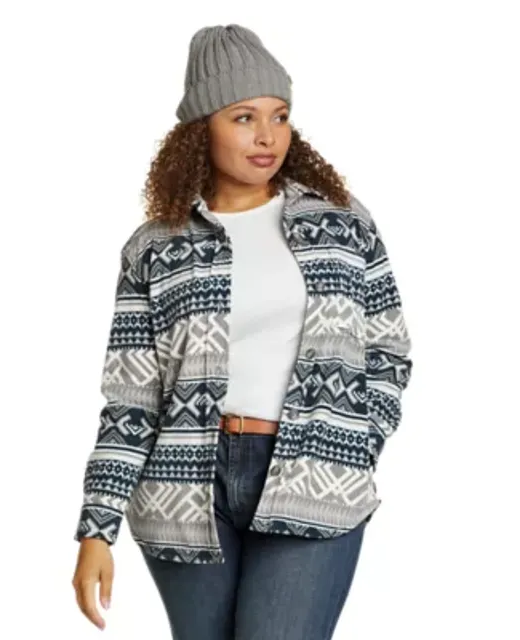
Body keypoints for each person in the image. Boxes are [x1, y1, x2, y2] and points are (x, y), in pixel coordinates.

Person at [71, 23, 413, 639]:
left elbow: (388, 348)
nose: (267, 136)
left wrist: (356, 441)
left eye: (280, 116)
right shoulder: (156, 246)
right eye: (243, 117)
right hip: (183, 487)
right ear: (201, 129)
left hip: (315, 472)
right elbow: (131, 398)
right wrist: (98, 527)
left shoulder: (341, 223)